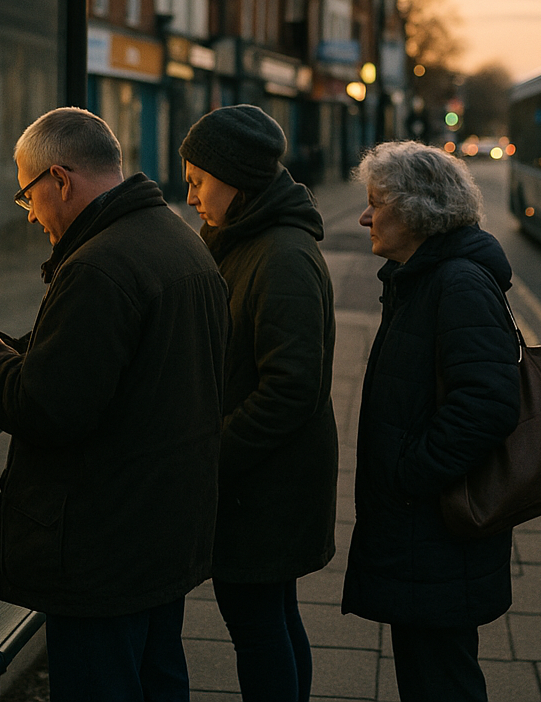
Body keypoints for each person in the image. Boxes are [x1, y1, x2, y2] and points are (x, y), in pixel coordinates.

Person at [0, 107, 228, 702]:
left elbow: (50, 408)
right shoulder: (173, 237)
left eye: (29, 196)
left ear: (61, 181)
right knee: (157, 678)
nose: (33, 215)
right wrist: (12, 349)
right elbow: (111, 368)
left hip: (102, 544)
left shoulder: (100, 265)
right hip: (160, 529)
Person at [341, 140, 521, 702]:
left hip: (436, 528)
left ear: (419, 210)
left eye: (377, 203)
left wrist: (411, 474)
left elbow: (487, 403)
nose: (365, 216)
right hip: (422, 532)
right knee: (428, 672)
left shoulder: (456, 283)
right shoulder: (420, 277)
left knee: (442, 679)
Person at [179, 104, 338, 702]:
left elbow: (292, 388)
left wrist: (211, 451)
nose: (189, 193)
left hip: (267, 483)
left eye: (198, 181)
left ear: (237, 178)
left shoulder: (282, 257)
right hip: (261, 481)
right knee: (271, 617)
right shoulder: (239, 238)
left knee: (257, 624)